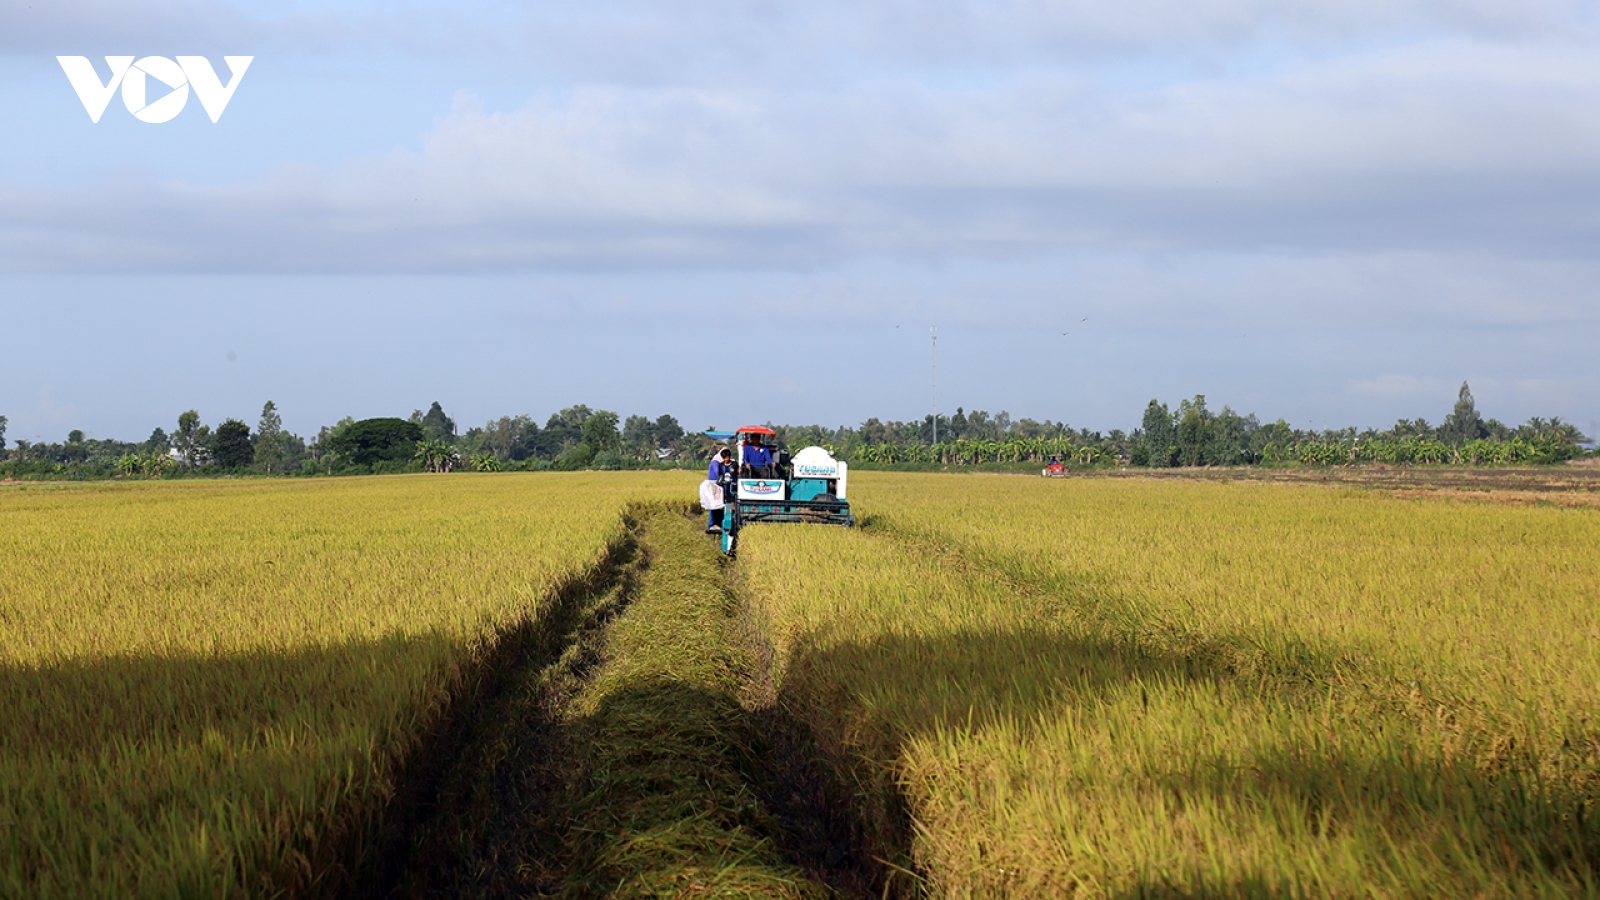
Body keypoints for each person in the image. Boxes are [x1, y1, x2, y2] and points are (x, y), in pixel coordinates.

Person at [702, 447, 733, 532]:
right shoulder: (716, 461)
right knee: (713, 505)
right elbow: (718, 473)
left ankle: (719, 523)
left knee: (721, 505)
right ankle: (712, 525)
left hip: (720, 486)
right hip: (714, 486)